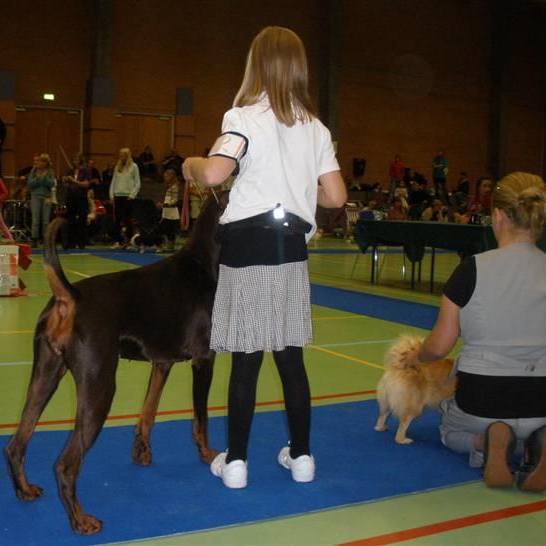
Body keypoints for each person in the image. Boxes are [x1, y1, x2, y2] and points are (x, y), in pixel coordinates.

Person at [182, 26, 346, 489]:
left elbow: (215, 172)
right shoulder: (316, 129)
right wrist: (293, 187)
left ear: (256, 65)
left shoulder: (243, 118)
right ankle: (303, 456)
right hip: (290, 251)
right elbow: (334, 196)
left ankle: (235, 463)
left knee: (247, 359)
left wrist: (189, 165)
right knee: (290, 359)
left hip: (249, 250)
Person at [409, 172, 546, 492]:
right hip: (542, 397)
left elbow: (440, 346)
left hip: (483, 397)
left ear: (497, 216)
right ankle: (532, 443)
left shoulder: (471, 268)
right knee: (532, 421)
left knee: (447, 429)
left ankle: (486, 442)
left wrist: (417, 357)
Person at [109, 148, 141, 249]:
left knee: (128, 221)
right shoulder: (117, 167)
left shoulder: (134, 166)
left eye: (122, 155)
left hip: (128, 197)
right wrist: (111, 195)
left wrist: (132, 195)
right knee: (117, 221)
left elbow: (138, 182)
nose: (120, 157)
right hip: (118, 196)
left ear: (127, 155)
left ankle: (129, 242)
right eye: (120, 155)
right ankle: (118, 241)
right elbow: (113, 182)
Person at [27, 153, 56, 248]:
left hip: (46, 197)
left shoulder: (50, 171)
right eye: (40, 161)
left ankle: (45, 239)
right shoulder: (33, 171)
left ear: (47, 163)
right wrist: (38, 179)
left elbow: (51, 184)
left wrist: (43, 178)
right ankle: (34, 239)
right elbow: (30, 184)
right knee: (35, 220)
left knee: (45, 221)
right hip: (35, 196)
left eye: (44, 161)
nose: (41, 163)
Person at [157, 168, 180, 252]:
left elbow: (175, 200)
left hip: (172, 213)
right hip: (166, 211)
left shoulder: (174, 187)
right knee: (165, 229)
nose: (165, 178)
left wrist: (164, 205)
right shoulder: (168, 187)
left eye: (166, 176)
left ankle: (170, 247)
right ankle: (167, 245)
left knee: (170, 230)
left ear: (171, 177)